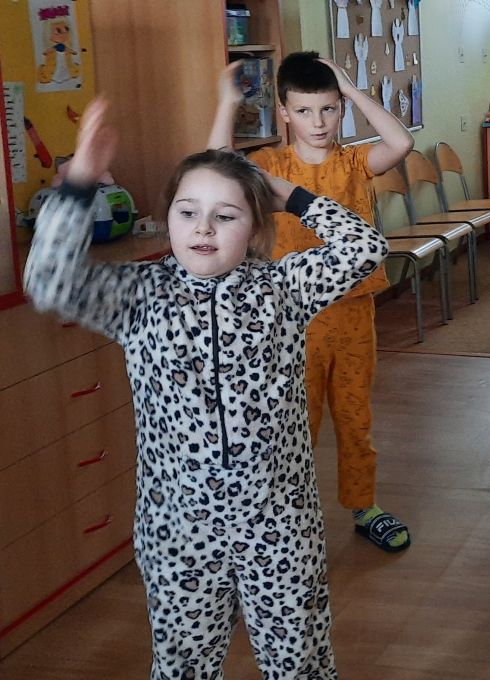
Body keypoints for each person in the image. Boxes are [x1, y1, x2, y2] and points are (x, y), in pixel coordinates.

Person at [23, 99, 389, 678]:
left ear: (258, 226)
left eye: (226, 215)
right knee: (183, 667)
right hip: (179, 530)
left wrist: (288, 193)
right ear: (168, 216)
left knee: (300, 665)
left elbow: (365, 248)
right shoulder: (140, 294)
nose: (203, 228)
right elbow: (48, 279)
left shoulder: (283, 288)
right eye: (188, 211)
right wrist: (79, 185)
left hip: (279, 525)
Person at [209, 51, 415, 552]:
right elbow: (215, 168)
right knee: (295, 423)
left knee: (354, 415)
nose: (318, 122)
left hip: (353, 312)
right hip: (290, 320)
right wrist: (227, 104)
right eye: (304, 111)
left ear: (340, 109)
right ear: (283, 112)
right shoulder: (269, 166)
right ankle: (287, 515)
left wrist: (352, 89)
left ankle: (364, 506)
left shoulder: (354, 162)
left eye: (328, 109)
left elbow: (401, 143)